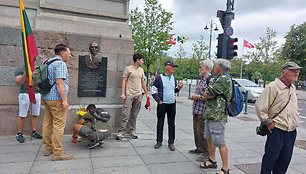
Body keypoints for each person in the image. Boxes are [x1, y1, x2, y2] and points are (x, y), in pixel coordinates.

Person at [255, 62, 301, 174]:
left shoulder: (293, 88)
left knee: (284, 161)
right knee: (270, 160)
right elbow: (260, 106)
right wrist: (267, 121)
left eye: (298, 70)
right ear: (284, 71)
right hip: (277, 130)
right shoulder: (273, 87)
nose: (297, 73)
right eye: (293, 70)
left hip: (291, 131)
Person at [199, 59, 232, 174]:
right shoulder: (218, 78)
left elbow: (208, 93)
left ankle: (225, 168)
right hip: (211, 114)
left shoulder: (224, 79)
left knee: (219, 141)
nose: (214, 68)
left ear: (219, 68)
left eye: (216, 66)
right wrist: (207, 94)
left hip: (218, 115)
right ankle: (212, 160)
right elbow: (208, 94)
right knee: (209, 138)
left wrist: (207, 94)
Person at [42, 43, 72, 161]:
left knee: (47, 124)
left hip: (47, 98)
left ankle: (48, 148)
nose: (69, 56)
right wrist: (64, 100)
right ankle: (58, 152)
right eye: (68, 54)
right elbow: (59, 83)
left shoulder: (48, 62)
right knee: (59, 125)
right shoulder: (60, 64)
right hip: (56, 99)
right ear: (62, 53)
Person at [151, 60, 183, 151]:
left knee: (171, 123)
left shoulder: (174, 78)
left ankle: (171, 142)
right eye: (172, 67)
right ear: (166, 67)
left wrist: (179, 88)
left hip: (172, 104)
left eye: (174, 67)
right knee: (160, 122)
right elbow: (153, 91)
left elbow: (174, 90)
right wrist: (159, 101)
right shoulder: (159, 78)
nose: (173, 69)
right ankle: (159, 141)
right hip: (162, 104)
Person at [116, 53, 150, 140]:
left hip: (138, 94)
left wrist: (147, 93)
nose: (143, 61)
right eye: (142, 60)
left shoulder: (141, 70)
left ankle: (132, 130)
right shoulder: (128, 69)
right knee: (125, 114)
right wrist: (123, 93)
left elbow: (143, 82)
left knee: (134, 114)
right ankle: (121, 132)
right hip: (129, 94)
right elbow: (124, 81)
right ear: (137, 60)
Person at [189, 60, 213, 162]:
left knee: (202, 131)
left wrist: (196, 97)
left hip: (203, 110)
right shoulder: (202, 79)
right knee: (196, 130)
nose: (199, 69)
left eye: (201, 67)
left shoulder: (210, 80)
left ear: (207, 68)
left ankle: (206, 153)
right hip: (196, 109)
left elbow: (210, 96)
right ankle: (199, 148)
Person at [14, 65, 42, 143]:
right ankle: (18, 133)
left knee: (35, 114)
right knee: (22, 114)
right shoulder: (20, 68)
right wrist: (25, 73)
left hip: (36, 93)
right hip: (25, 93)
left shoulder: (38, 67)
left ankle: (34, 131)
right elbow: (18, 82)